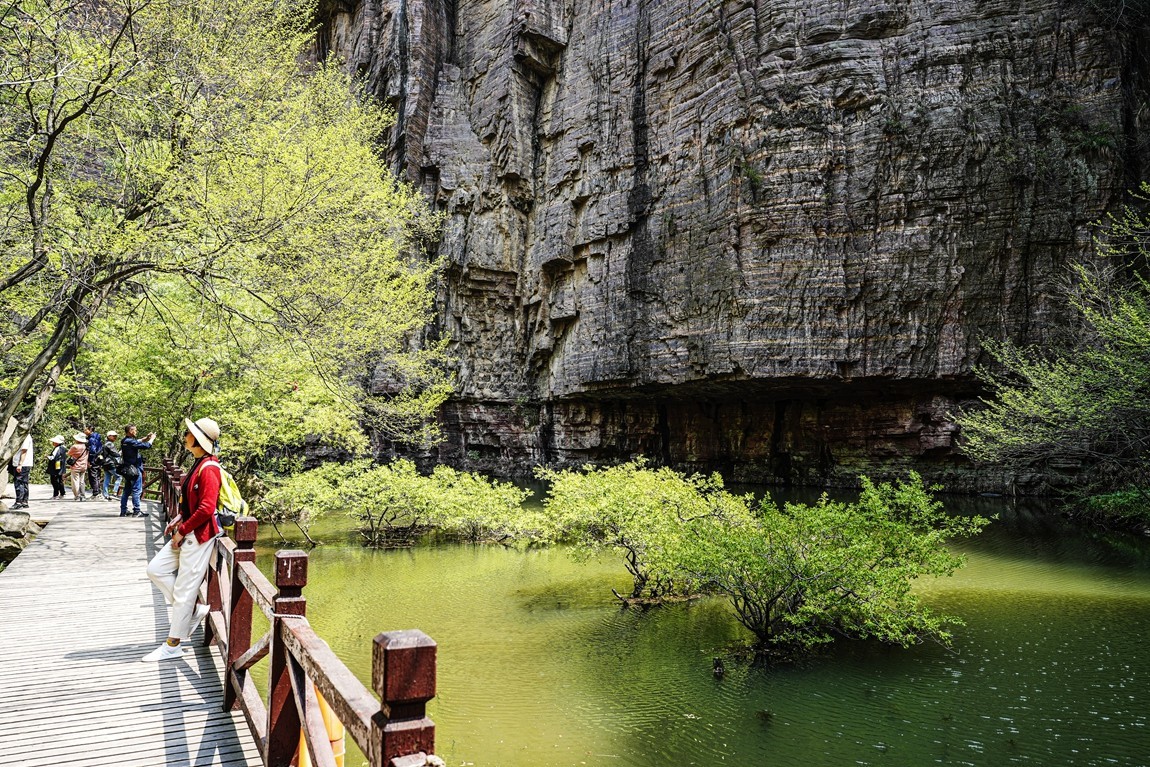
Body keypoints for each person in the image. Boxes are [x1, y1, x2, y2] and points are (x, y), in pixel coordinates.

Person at [143, 417, 222, 662]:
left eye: (190, 432)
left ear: (198, 440)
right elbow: (192, 502)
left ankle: (173, 644)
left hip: (199, 536)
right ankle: (194, 611)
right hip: (188, 530)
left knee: (185, 590)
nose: (186, 435)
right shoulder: (199, 463)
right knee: (155, 569)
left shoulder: (209, 468)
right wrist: (179, 517)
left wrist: (183, 529)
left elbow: (207, 508)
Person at [119, 424, 154, 517]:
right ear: (130, 431)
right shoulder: (130, 442)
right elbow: (146, 446)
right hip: (134, 469)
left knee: (126, 491)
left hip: (127, 470)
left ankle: (123, 511)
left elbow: (138, 441)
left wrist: (146, 437)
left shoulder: (124, 441)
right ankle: (136, 511)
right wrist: (152, 439)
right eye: (135, 430)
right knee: (136, 490)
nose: (136, 432)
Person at [10, 432, 33, 509]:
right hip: (25, 463)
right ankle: (24, 501)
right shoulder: (27, 436)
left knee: (19, 482)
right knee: (24, 482)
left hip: (22, 463)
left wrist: (20, 464)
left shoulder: (26, 437)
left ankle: (19, 502)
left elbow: (24, 450)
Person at [100, 430, 122, 501]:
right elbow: (114, 453)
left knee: (107, 478)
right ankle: (114, 493)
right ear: (109, 436)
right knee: (119, 477)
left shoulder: (105, 444)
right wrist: (120, 454)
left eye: (116, 436)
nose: (115, 437)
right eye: (114, 436)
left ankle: (105, 494)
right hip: (110, 463)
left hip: (105, 463)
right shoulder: (110, 444)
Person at [66, 433, 89, 501]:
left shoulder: (75, 446)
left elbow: (69, 453)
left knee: (75, 481)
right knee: (82, 481)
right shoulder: (86, 447)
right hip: (83, 466)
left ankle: (77, 496)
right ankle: (83, 495)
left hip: (76, 466)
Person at [84, 426, 103, 499]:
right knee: (97, 475)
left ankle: (96, 493)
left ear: (90, 430)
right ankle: (98, 491)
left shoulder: (91, 439)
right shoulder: (98, 439)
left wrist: (89, 460)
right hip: (98, 459)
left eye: (86, 430)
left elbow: (92, 451)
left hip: (93, 460)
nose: (84, 431)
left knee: (93, 475)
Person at [47, 435, 68, 499]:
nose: (53, 443)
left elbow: (53, 458)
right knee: (60, 480)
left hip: (55, 467)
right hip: (61, 466)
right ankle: (62, 493)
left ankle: (56, 494)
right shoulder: (64, 448)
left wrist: (47, 456)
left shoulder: (57, 448)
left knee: (54, 480)